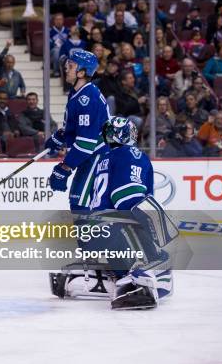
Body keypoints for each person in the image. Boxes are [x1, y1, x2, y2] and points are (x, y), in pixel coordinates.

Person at [51, 117, 173, 310]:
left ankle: (120, 275)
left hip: (95, 231)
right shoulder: (132, 153)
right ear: (130, 134)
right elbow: (127, 198)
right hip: (114, 228)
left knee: (121, 257)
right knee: (158, 256)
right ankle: (140, 280)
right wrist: (151, 225)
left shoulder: (105, 158)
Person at [44, 50, 110, 211]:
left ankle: (92, 236)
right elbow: (79, 127)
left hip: (97, 155)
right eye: (67, 64)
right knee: (79, 201)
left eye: (71, 66)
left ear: (81, 72)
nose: (66, 68)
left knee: (80, 203)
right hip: (90, 155)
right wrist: (62, 135)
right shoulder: (79, 92)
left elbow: (86, 143)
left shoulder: (87, 99)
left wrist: (65, 167)